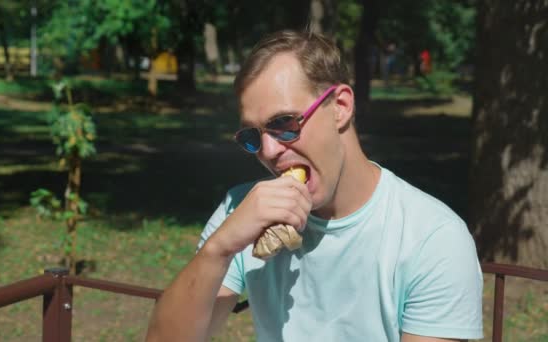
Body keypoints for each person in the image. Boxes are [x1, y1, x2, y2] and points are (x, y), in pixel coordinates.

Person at [146, 30, 483, 342]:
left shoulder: (432, 239)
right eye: (252, 136)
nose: (268, 151)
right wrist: (218, 250)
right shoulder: (242, 211)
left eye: (284, 123)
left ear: (340, 107)